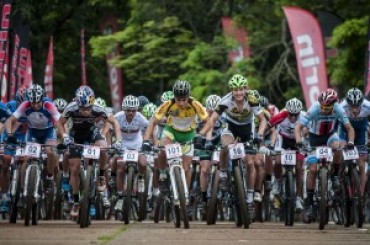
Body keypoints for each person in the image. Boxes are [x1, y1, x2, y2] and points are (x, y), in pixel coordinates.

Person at [196, 74, 267, 219]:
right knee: (224, 143)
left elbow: (263, 120)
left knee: (250, 162)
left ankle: (249, 199)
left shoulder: (252, 99)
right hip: (231, 127)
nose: (239, 93)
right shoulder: (225, 101)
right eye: (235, 90)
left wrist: (259, 134)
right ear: (231, 90)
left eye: (241, 89)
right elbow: (212, 120)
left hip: (247, 128)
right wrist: (201, 134)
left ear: (245, 89)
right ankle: (222, 173)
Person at [57, 85, 122, 218]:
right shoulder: (71, 107)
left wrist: (119, 141)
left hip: (91, 134)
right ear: (77, 103)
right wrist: (64, 137)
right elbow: (59, 123)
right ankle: (75, 201)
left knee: (103, 147)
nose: (86, 111)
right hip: (75, 136)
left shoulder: (98, 107)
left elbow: (114, 122)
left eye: (88, 108)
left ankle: (101, 176)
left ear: (92, 103)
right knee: (74, 169)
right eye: (83, 108)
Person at [294, 88, 354, 223]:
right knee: (313, 170)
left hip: (329, 136)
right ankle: (309, 203)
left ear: (334, 104)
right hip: (314, 139)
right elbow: (298, 127)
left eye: (327, 107)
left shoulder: (338, 108)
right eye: (322, 106)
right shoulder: (314, 108)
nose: (324, 109)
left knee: (338, 146)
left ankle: (334, 176)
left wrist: (350, 142)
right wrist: (299, 142)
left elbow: (349, 128)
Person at [142, 80, 208, 190]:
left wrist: (201, 134)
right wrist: (145, 140)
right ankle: (163, 172)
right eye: (178, 100)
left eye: (184, 100)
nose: (181, 103)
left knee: (187, 169)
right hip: (171, 131)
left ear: (188, 96)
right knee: (162, 148)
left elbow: (209, 121)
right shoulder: (168, 104)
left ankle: (184, 195)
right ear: (174, 97)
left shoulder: (195, 104)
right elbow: (153, 121)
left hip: (188, 134)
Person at [6, 84, 60, 197]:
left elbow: (59, 121)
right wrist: (10, 134)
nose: (35, 105)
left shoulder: (48, 104)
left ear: (42, 98)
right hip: (33, 132)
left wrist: (63, 137)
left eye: (37, 102)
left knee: (50, 152)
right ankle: (22, 191)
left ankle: (50, 178)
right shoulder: (25, 105)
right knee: (26, 159)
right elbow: (10, 120)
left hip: (48, 131)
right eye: (32, 102)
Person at [111, 95, 149, 212]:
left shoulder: (140, 118)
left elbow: (150, 128)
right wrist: (111, 143)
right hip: (123, 143)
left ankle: (141, 179)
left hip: (136, 143)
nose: (131, 113)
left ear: (136, 110)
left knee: (143, 164)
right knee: (120, 166)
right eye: (128, 110)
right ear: (124, 109)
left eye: (133, 110)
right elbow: (108, 128)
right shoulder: (118, 117)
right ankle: (120, 196)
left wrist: (149, 142)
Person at [267, 98, 305, 211]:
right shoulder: (281, 115)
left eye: (295, 115)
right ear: (287, 112)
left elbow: (312, 129)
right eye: (290, 114)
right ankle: (278, 183)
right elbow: (268, 126)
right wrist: (259, 139)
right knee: (278, 161)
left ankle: (298, 198)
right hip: (283, 139)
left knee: (299, 168)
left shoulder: (304, 116)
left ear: (299, 112)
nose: (293, 117)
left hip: (297, 141)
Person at [339, 88, 370, 199]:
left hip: (361, 131)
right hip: (345, 130)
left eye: (357, 106)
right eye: (352, 106)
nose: (354, 110)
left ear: (361, 103)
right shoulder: (342, 106)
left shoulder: (367, 106)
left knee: (361, 165)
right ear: (347, 104)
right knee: (342, 154)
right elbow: (334, 122)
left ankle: (360, 195)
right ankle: (339, 179)